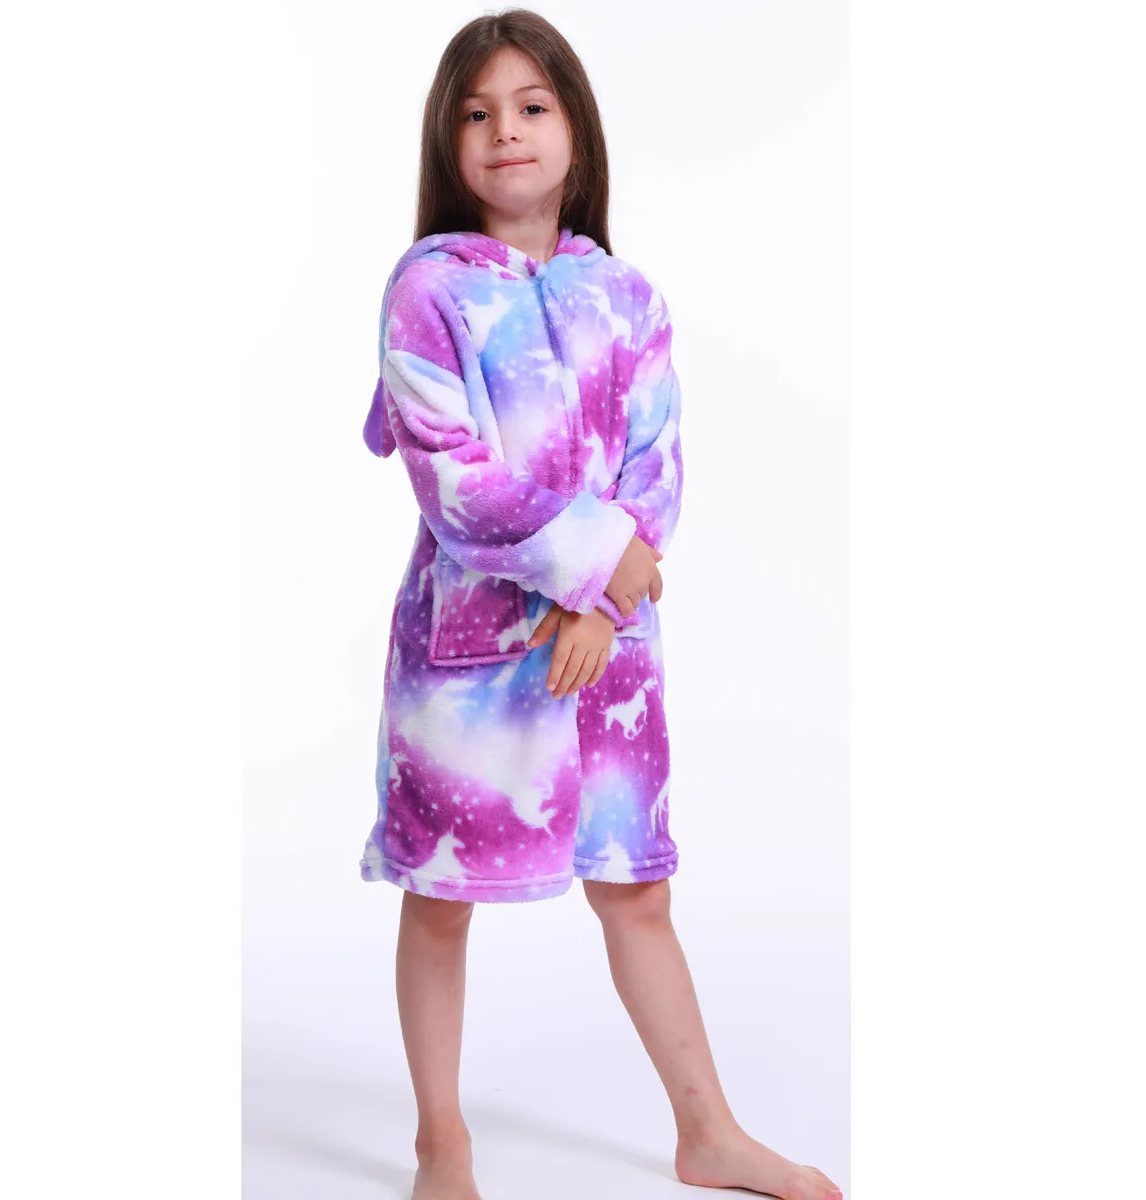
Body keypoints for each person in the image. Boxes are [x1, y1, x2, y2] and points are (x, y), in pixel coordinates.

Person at [356, 10, 843, 1200]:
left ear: (576, 129)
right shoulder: (429, 292)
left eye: (532, 106)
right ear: (448, 140)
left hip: (606, 661)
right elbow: (453, 478)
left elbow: (654, 469)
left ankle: (707, 1131)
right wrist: (588, 568)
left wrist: (601, 608)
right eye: (478, 113)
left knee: (637, 888)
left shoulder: (628, 299)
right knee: (440, 900)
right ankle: (441, 1143)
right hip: (469, 663)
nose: (506, 131)